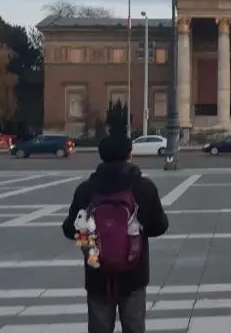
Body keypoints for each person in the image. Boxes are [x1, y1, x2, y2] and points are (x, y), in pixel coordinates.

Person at [61, 135, 169, 333]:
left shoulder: (86, 189)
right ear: (129, 154)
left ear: (101, 156)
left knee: (99, 327)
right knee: (134, 326)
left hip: (97, 271)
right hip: (134, 272)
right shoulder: (143, 187)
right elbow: (159, 227)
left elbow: (70, 229)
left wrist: (91, 241)